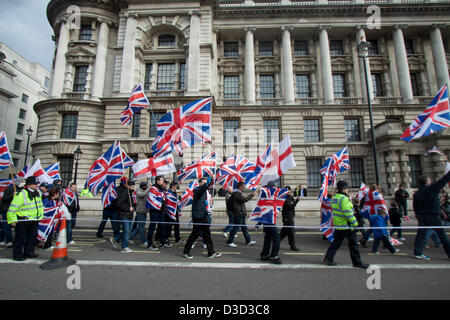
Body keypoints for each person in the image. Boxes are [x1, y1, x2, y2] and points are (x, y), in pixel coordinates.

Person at [323, 180, 369, 269]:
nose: (348, 190)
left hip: (339, 225)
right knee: (353, 245)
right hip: (347, 225)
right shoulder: (344, 199)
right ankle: (357, 262)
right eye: (347, 188)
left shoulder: (335, 197)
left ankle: (328, 258)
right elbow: (348, 213)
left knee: (335, 243)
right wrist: (355, 224)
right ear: (344, 189)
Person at [412, 171, 450, 260]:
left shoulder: (417, 193)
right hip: (433, 215)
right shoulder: (431, 189)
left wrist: (418, 215)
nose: (430, 181)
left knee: (421, 234)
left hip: (422, 216)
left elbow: (415, 206)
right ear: (426, 182)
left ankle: (418, 252)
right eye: (429, 180)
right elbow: (443, 181)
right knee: (442, 235)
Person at [183, 177, 221, 259]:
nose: (205, 184)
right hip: (198, 216)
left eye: (205, 183)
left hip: (203, 215)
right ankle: (186, 251)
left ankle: (211, 252)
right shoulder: (197, 190)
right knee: (195, 234)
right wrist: (206, 184)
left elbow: (208, 190)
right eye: (203, 183)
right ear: (199, 183)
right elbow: (201, 190)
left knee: (207, 234)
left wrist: (211, 182)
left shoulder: (205, 191)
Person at [7, 176, 44, 261]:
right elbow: (13, 208)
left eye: (37, 184)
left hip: (34, 220)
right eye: (35, 184)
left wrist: (40, 216)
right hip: (23, 220)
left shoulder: (38, 193)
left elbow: (39, 206)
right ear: (29, 184)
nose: (36, 185)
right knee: (19, 238)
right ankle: (17, 255)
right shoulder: (21, 194)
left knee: (32, 238)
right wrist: (12, 220)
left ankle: (29, 252)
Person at [227, 182, 257, 248]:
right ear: (240, 186)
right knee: (236, 228)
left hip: (241, 213)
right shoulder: (236, 194)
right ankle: (230, 241)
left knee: (244, 228)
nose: (244, 188)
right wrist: (252, 195)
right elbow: (244, 200)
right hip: (238, 213)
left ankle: (248, 241)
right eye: (243, 186)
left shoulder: (238, 193)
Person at [259, 181, 282, 265]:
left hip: (267, 220)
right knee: (276, 238)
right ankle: (274, 256)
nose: (276, 188)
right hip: (269, 220)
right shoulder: (270, 196)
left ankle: (264, 254)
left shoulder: (265, 195)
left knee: (268, 238)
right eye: (275, 186)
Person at [111, 179, 136, 253]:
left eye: (133, 186)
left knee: (128, 230)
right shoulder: (125, 193)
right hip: (124, 214)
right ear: (127, 186)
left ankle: (115, 239)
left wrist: (133, 206)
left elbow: (132, 203)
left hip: (130, 215)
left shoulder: (131, 194)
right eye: (131, 186)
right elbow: (119, 203)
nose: (132, 187)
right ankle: (125, 247)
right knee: (126, 231)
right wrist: (128, 208)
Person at [0, 177, 24, 248]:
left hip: (17, 211)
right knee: (7, 226)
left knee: (17, 227)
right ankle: (9, 241)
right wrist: (12, 196)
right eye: (22, 181)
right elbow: (4, 199)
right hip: (7, 210)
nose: (24, 183)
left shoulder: (22, 190)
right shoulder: (10, 189)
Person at [147, 176, 169, 250]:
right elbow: (152, 200)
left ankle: (162, 242)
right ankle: (149, 243)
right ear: (157, 181)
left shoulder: (161, 189)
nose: (163, 181)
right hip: (154, 211)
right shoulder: (153, 189)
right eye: (162, 180)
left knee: (162, 226)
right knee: (152, 227)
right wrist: (159, 206)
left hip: (161, 211)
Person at [279, 186, 300, 251]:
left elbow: (292, 205)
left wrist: (294, 202)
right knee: (291, 232)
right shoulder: (285, 198)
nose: (288, 191)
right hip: (287, 217)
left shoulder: (290, 197)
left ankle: (276, 242)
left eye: (289, 190)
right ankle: (292, 246)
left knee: (284, 232)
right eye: (287, 190)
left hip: (290, 216)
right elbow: (291, 206)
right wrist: (296, 201)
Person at [129, 181, 149, 247]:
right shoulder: (138, 191)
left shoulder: (145, 191)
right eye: (145, 186)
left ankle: (130, 237)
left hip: (144, 212)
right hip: (139, 212)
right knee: (141, 228)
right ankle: (144, 242)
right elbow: (142, 194)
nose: (146, 187)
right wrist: (150, 188)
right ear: (142, 186)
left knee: (140, 227)